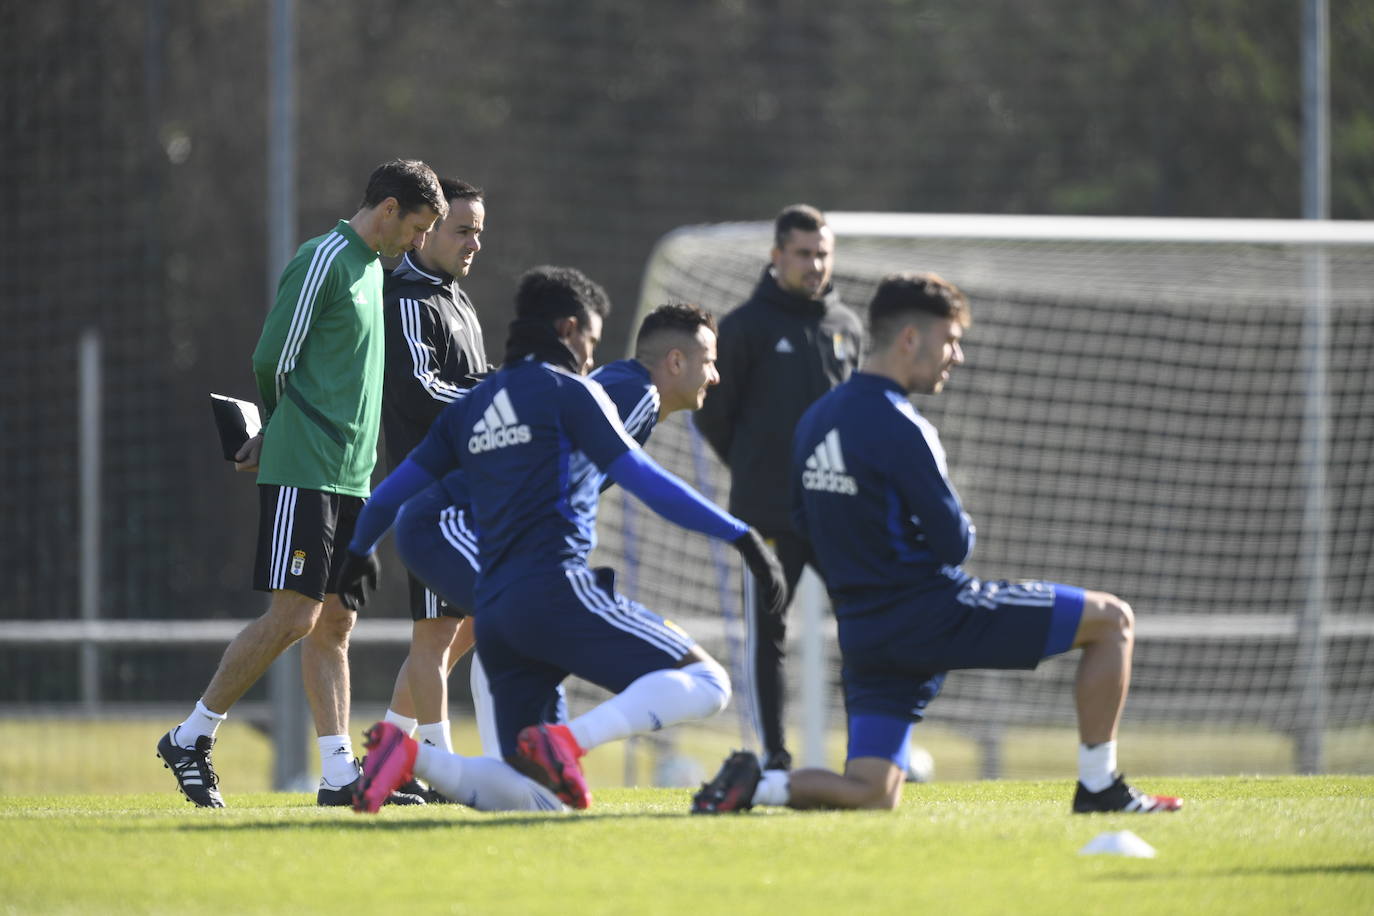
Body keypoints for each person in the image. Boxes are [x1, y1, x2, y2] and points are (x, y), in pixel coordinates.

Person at [693, 272, 1182, 815]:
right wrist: (955, 531)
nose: (957, 356)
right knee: (1113, 621)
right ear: (910, 340)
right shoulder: (903, 425)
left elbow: (802, 525)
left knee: (873, 794)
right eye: (950, 340)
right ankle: (1099, 787)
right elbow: (953, 544)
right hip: (934, 615)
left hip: (865, 634)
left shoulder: (814, 419)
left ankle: (756, 786)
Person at [339, 267, 786, 813]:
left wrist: (357, 553)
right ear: (571, 330)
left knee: (539, 798)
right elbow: (645, 482)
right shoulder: (602, 394)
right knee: (708, 681)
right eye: (592, 341)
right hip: (534, 572)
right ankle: (564, 743)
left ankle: (414, 757)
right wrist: (742, 537)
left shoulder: (476, 404)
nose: (594, 357)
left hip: (495, 593)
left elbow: (390, 496)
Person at [156, 159, 447, 808]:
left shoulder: (375, 269)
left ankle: (339, 774)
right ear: (390, 208)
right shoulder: (325, 257)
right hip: (306, 470)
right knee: (294, 615)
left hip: (352, 480)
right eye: (419, 227)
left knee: (334, 624)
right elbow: (272, 358)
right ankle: (192, 735)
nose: (420, 243)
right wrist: (282, 430)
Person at [693, 203, 863, 771]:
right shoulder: (744, 328)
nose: (815, 265)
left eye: (822, 254)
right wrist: (755, 468)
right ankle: (774, 757)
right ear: (776, 256)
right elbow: (713, 415)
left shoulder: (847, 327)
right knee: (769, 636)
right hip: (767, 515)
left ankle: (871, 750)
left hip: (838, 514)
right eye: (803, 254)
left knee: (865, 628)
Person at [376, 178, 490, 779]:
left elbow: (473, 377)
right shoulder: (406, 300)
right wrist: (499, 403)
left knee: (463, 627)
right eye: (462, 230)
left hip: (468, 491)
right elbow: (423, 388)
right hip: (429, 497)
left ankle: (388, 752)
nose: (473, 244)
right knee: (434, 635)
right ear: (429, 231)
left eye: (479, 232)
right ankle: (440, 767)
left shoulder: (456, 297)